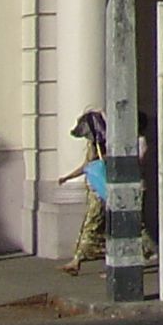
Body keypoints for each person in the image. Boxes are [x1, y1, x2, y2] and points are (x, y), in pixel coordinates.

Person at [56, 110, 107, 276]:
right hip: (93, 191)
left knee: (90, 226)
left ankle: (77, 260)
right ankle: (77, 260)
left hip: (99, 193)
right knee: (93, 227)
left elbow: (91, 163)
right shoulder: (94, 147)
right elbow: (85, 166)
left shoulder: (100, 148)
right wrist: (67, 177)